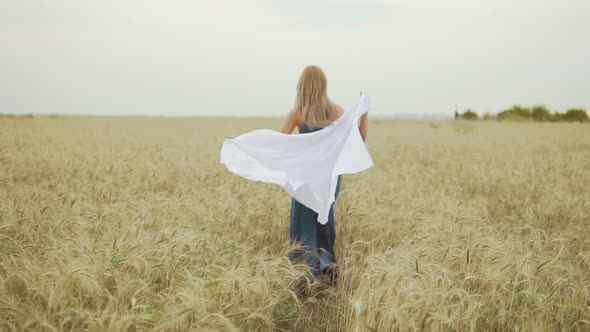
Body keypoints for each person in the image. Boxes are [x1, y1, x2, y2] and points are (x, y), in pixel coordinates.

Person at [278, 65, 368, 285]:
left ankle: (303, 273)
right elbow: (360, 139)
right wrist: (364, 112)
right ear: (323, 86)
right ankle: (327, 264)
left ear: (301, 86)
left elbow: (279, 144)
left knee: (303, 223)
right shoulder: (335, 112)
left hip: (305, 179)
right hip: (328, 179)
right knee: (324, 219)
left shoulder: (297, 113)